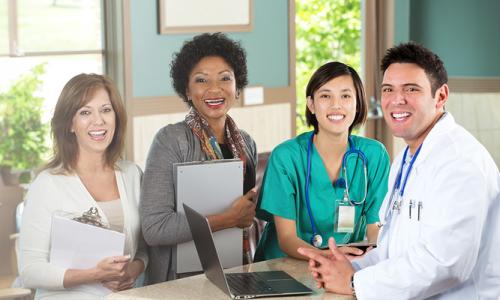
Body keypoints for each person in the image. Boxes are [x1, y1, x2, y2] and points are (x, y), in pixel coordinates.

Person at [298, 42, 500, 299]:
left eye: (411, 89)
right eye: (388, 89)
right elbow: (392, 250)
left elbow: (447, 264)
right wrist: (348, 269)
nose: (397, 99)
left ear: (441, 96)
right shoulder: (406, 159)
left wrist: (353, 283)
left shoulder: (461, 162)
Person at [140, 33, 258, 284]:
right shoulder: (170, 140)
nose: (214, 89)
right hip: (180, 282)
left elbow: (248, 215)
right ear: (187, 89)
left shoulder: (246, 144)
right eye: (201, 80)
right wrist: (227, 219)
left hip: (234, 273)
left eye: (225, 78)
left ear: (237, 87)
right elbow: (154, 228)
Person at [19, 74, 148, 299]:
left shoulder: (132, 175)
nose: (98, 121)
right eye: (85, 112)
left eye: (106, 110)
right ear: (70, 123)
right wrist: (93, 274)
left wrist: (133, 270)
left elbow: (145, 249)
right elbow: (30, 271)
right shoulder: (48, 184)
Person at [254, 62, 390, 262]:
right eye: (325, 96)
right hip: (283, 267)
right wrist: (327, 257)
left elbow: (374, 224)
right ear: (311, 104)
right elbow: (286, 238)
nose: (336, 105)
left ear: (358, 103)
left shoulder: (374, 155)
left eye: (345, 96)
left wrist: (380, 258)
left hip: (343, 265)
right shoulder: (286, 157)